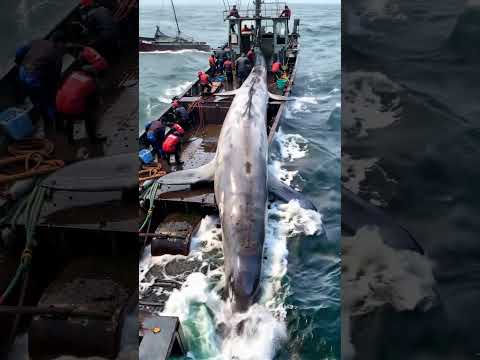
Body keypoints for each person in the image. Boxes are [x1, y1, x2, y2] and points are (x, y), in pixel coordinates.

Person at [15, 31, 66, 133]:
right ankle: (58, 126)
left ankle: (47, 121)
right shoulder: (56, 54)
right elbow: (55, 77)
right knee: (50, 101)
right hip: (34, 79)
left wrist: (18, 61)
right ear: (59, 43)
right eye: (63, 44)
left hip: (22, 73)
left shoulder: (37, 41)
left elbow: (20, 51)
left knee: (36, 100)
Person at [56, 46, 108, 144]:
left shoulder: (73, 74)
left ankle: (70, 140)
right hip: (71, 106)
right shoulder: (90, 82)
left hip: (59, 105)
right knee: (90, 117)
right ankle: (93, 139)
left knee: (68, 119)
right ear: (93, 75)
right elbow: (95, 101)